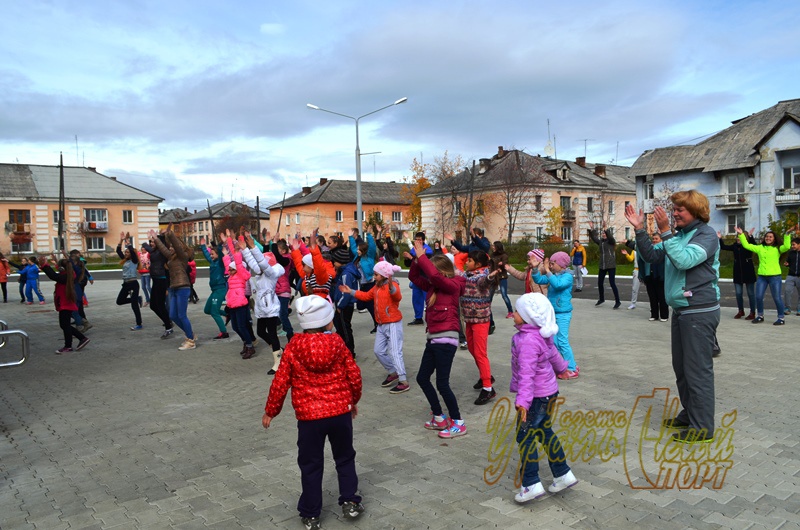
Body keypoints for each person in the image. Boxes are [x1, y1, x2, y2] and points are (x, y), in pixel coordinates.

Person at [625, 191, 720, 444]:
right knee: (682, 369)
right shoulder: (680, 235)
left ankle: (702, 428)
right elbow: (652, 256)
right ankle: (690, 414)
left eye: (680, 209)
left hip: (699, 310)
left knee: (697, 371)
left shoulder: (706, 235)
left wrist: (666, 231)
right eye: (674, 208)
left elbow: (684, 261)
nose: (675, 213)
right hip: (682, 310)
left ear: (697, 212)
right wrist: (639, 231)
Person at [262, 295, 364, 530]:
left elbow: (280, 382)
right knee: (345, 457)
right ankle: (349, 501)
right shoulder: (338, 343)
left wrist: (271, 411)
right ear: (328, 322)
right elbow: (354, 376)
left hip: (309, 419)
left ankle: (311, 514)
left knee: (310, 464)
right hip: (339, 413)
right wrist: (352, 401)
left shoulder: (293, 347)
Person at [510, 292, 578, 503]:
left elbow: (527, 375)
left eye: (517, 311)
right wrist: (562, 370)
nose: (513, 314)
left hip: (535, 397)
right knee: (544, 432)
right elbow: (553, 354)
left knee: (525, 437)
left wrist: (523, 403)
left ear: (529, 316)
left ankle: (530, 483)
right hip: (549, 393)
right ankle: (563, 474)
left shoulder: (528, 340)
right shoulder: (540, 334)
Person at [407, 239, 468, 438]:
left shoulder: (453, 285)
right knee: (422, 378)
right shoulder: (434, 286)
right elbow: (414, 277)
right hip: (433, 339)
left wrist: (422, 256)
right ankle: (439, 417)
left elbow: (432, 273)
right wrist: (417, 261)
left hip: (446, 340)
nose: (430, 274)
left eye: (432, 270)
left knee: (442, 383)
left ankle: (458, 421)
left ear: (441, 270)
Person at [341, 261, 409, 394]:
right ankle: (392, 372)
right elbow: (366, 296)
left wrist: (391, 288)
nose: (374, 276)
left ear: (384, 275)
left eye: (376, 274)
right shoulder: (377, 286)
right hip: (381, 324)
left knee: (395, 352)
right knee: (378, 351)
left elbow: (398, 296)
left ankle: (403, 380)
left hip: (393, 323)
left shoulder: (393, 284)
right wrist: (351, 292)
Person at [459, 250, 499, 405]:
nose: (466, 262)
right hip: (469, 318)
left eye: (469, 260)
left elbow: (484, 281)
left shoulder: (481, 276)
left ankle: (488, 389)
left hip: (481, 319)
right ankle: (486, 376)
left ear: (478, 264)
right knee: (472, 349)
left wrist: (490, 277)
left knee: (481, 353)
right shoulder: (466, 274)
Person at [531, 251, 579, 379]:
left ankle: (572, 368)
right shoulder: (554, 275)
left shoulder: (567, 277)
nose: (550, 266)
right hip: (553, 313)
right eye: (550, 264)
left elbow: (558, 285)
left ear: (562, 265)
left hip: (563, 314)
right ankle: (565, 365)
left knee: (562, 341)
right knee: (555, 342)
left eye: (553, 264)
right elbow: (539, 280)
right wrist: (535, 269)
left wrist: (547, 270)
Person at [242, 231, 284, 367]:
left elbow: (261, 263)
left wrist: (254, 248)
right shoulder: (260, 272)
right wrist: (245, 250)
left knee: (272, 333)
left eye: (263, 264)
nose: (259, 267)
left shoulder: (271, 273)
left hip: (270, 305)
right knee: (260, 331)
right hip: (261, 306)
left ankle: (278, 361)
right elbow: (254, 262)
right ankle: (278, 350)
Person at [737, 225, 795, 325]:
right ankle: (760, 316)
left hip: (775, 276)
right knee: (758, 297)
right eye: (766, 236)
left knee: (776, 297)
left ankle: (781, 318)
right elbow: (746, 245)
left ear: (774, 239)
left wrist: (787, 234)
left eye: (770, 237)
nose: (768, 238)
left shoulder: (777, 248)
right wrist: (741, 235)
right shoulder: (760, 247)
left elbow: (787, 246)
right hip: (762, 277)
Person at [150, 228, 195, 350]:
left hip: (183, 287)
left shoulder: (182, 256)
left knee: (181, 315)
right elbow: (163, 249)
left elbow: (176, 244)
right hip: (173, 288)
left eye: (172, 246)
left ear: (178, 247)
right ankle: (190, 334)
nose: (169, 248)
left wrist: (170, 234)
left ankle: (191, 340)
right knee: (173, 315)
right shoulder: (171, 257)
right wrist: (156, 238)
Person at [39, 256, 90, 354]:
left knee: (64, 325)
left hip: (66, 304)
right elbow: (56, 273)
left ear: (62, 268)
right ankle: (80, 339)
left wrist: (45, 265)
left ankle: (71, 344)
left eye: (59, 267)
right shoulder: (68, 274)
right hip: (65, 303)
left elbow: (53, 276)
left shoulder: (66, 276)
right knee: (64, 325)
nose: (58, 268)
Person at [223, 233, 254, 358]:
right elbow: (228, 266)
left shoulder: (241, 274)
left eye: (232, 269)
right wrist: (226, 255)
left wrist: (236, 254)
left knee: (242, 326)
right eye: (229, 270)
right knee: (235, 327)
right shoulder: (231, 276)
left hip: (240, 303)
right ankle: (246, 343)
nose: (229, 271)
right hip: (232, 303)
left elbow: (238, 265)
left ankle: (250, 346)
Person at [718, 229, 757, 319]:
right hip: (738, 272)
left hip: (748, 271)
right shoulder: (735, 246)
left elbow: (755, 245)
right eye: (737, 237)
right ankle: (740, 311)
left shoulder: (748, 246)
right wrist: (720, 238)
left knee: (751, 293)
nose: (738, 238)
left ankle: (752, 312)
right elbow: (724, 247)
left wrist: (751, 237)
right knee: (738, 293)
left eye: (740, 236)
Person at [142, 234, 174, 338]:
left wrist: (153, 240)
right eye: (150, 242)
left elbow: (145, 246)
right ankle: (168, 321)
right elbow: (146, 246)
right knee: (153, 306)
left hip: (161, 280)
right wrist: (150, 240)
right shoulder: (155, 251)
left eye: (153, 242)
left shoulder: (161, 252)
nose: (151, 244)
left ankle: (168, 326)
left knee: (160, 305)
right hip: (155, 280)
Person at [330, 245, 359, 357]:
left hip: (344, 305)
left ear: (340, 262)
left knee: (345, 329)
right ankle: (343, 349)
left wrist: (340, 306)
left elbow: (345, 292)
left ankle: (350, 352)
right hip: (343, 304)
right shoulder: (344, 271)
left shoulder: (346, 274)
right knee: (340, 327)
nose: (333, 264)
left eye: (335, 261)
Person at [199, 236, 229, 339]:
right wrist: (203, 246)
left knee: (214, 312)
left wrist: (217, 243)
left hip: (220, 290)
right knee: (207, 310)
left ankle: (224, 332)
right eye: (211, 254)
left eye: (213, 254)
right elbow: (207, 255)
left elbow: (220, 253)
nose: (211, 256)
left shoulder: (221, 263)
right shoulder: (212, 262)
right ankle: (227, 314)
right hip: (214, 290)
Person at [350, 227, 378, 331]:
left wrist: (369, 235)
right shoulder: (357, 258)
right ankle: (377, 321)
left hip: (370, 284)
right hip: (362, 285)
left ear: (363, 250)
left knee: (370, 306)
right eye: (357, 249)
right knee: (360, 306)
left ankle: (377, 324)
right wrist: (351, 237)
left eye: (359, 249)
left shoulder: (369, 257)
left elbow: (372, 247)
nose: (357, 251)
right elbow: (352, 248)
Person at [588, 221, 620, 309]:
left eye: (604, 233)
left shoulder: (611, 241)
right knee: (600, 283)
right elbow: (594, 238)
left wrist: (605, 228)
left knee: (612, 283)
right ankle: (601, 299)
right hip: (602, 265)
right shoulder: (601, 242)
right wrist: (592, 228)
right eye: (602, 233)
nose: (603, 234)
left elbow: (610, 236)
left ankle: (617, 301)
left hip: (611, 265)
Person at [404, 231, 433, 326]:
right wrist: (407, 259)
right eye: (416, 239)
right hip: (416, 278)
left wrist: (411, 257)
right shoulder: (413, 250)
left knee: (428, 299)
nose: (417, 241)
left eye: (419, 240)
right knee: (416, 299)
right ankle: (418, 318)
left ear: (423, 241)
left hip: (425, 278)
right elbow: (409, 264)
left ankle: (432, 318)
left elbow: (423, 261)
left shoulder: (428, 250)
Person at [116, 232, 143, 331]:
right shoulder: (125, 260)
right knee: (119, 301)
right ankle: (137, 299)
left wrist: (127, 242)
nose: (126, 253)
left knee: (134, 306)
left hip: (133, 284)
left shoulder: (134, 261)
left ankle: (139, 324)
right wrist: (121, 240)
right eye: (125, 252)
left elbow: (131, 249)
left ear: (132, 254)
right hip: (126, 284)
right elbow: (118, 250)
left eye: (128, 252)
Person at [490, 241, 514, 319]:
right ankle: (486, 309)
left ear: (498, 247)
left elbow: (505, 263)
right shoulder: (492, 255)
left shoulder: (504, 255)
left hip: (502, 277)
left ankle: (510, 311)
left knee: (504, 295)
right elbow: (489, 264)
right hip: (494, 277)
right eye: (492, 246)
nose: (492, 247)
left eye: (494, 246)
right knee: (490, 295)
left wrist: (502, 264)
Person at [783, 237, 800, 316]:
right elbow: (788, 262)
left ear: (799, 244)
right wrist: (787, 264)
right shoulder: (791, 253)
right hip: (791, 275)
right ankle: (787, 308)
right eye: (791, 245)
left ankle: (799, 309)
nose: (792, 246)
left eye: (794, 245)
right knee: (787, 291)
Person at [621, 242, 639, 310]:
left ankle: (652, 304)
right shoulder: (634, 251)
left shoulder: (645, 249)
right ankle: (633, 303)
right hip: (637, 270)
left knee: (650, 289)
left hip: (645, 271)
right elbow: (631, 259)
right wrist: (627, 254)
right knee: (634, 288)